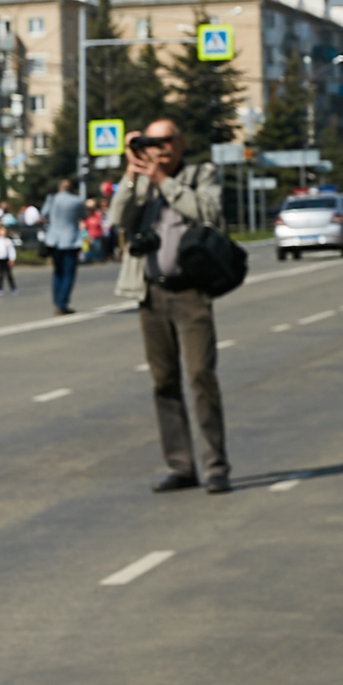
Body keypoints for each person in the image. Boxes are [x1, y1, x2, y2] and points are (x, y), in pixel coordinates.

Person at [107, 117, 231, 495]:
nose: (157, 149)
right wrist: (131, 174)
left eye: (164, 141)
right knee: (163, 382)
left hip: (191, 294)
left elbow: (208, 212)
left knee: (200, 376)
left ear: (179, 143)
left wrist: (163, 180)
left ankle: (216, 466)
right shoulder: (140, 181)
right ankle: (180, 466)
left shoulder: (201, 174)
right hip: (151, 294)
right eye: (150, 142)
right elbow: (117, 218)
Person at [41, 178, 84, 315]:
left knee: (57, 272)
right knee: (68, 273)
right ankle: (62, 303)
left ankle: (56, 302)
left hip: (54, 240)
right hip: (70, 240)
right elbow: (82, 215)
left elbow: (43, 214)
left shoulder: (52, 199)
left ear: (59, 188)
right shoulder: (76, 201)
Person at [0, 223, 16, 294]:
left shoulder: (8, 240)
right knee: (0, 275)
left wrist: (12, 258)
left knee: (9, 274)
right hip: (0, 259)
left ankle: (13, 288)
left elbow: (11, 250)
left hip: (6, 259)